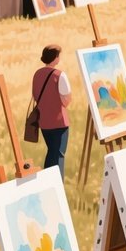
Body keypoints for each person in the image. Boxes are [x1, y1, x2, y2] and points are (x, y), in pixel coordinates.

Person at [32, 45, 73, 178]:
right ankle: (56, 185)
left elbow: (35, 95)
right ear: (55, 58)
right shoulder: (59, 75)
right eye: (58, 55)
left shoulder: (37, 74)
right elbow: (66, 100)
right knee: (58, 155)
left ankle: (47, 182)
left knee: (52, 152)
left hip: (44, 122)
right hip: (59, 122)